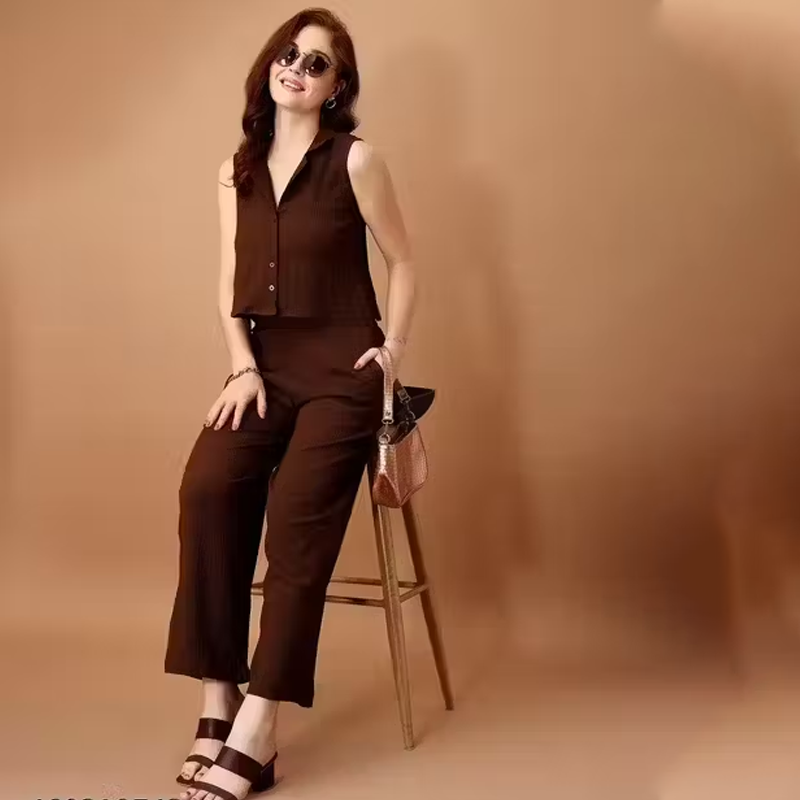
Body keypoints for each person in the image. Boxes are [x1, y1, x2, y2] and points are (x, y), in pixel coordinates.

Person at [163, 8, 417, 800]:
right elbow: (227, 284)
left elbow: (405, 261)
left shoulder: (357, 161)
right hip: (263, 370)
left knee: (298, 523)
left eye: (316, 63)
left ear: (337, 86)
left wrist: (392, 350)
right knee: (207, 490)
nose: (296, 70)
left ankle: (259, 727)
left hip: (344, 371)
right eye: (287, 55)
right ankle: (219, 700)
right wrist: (242, 367)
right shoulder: (234, 169)